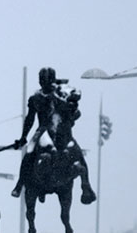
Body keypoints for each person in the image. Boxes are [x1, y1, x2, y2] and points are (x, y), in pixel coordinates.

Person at [10, 67, 95, 204]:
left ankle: (86, 186)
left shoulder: (60, 94)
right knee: (29, 152)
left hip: (60, 130)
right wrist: (23, 137)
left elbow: (73, 108)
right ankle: (20, 184)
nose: (45, 83)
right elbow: (30, 119)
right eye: (42, 80)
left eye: (47, 80)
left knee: (77, 151)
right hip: (43, 131)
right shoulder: (36, 98)